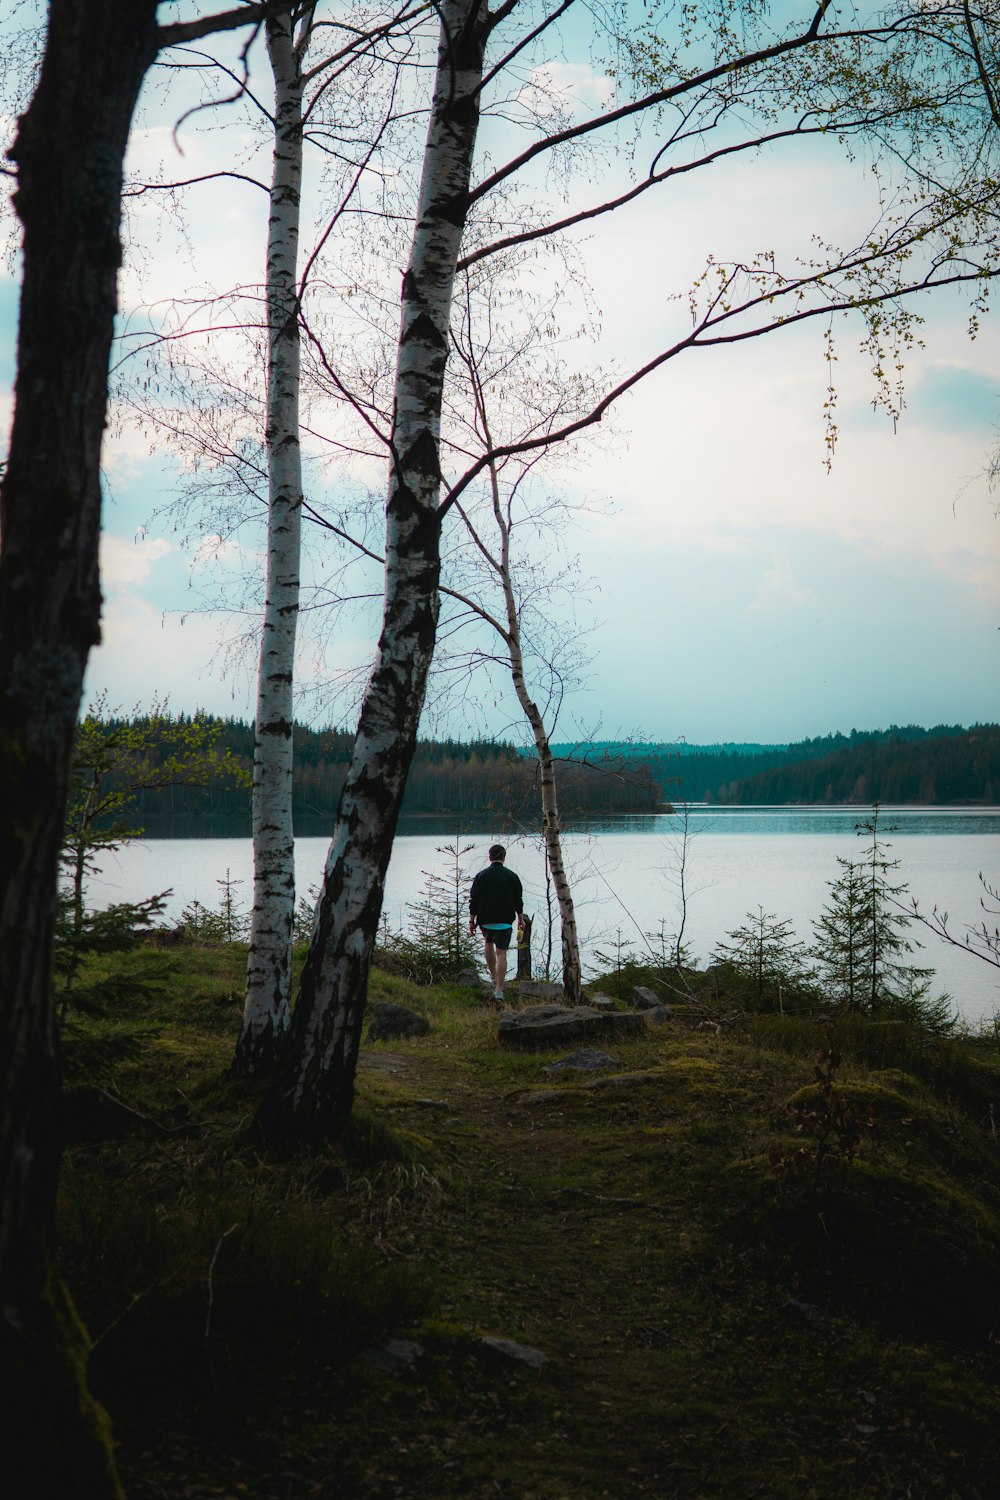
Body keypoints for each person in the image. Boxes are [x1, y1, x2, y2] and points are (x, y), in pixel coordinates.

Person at [469, 843, 524, 1004]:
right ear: (503, 858)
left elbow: (474, 900)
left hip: (485, 920)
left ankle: (493, 977)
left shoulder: (481, 876)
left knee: (488, 943)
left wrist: (471, 920)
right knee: (502, 954)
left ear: (490, 857)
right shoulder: (512, 876)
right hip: (505, 920)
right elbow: (518, 901)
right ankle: (499, 990)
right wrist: (520, 918)